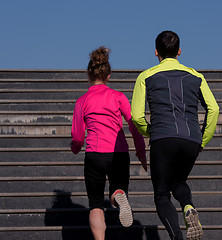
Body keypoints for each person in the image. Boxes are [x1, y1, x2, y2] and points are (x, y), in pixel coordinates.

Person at [131, 31, 219, 240]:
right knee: (179, 181)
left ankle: (176, 237)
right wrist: (202, 140)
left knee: (162, 195)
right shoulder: (196, 76)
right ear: (179, 51)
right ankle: (188, 205)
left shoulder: (145, 76)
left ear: (156, 53)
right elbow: (213, 109)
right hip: (191, 138)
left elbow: (136, 116)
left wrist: (150, 131)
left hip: (163, 137)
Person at [71, 46, 147, 240]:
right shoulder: (118, 96)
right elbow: (134, 124)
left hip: (95, 154)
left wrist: (76, 147)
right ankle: (118, 195)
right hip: (118, 153)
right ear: (108, 76)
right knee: (117, 190)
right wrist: (141, 152)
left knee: (96, 204)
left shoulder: (82, 101)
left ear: (89, 74)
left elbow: (79, 136)